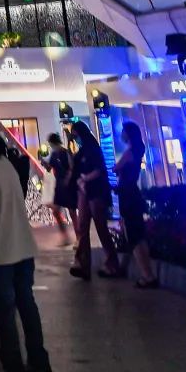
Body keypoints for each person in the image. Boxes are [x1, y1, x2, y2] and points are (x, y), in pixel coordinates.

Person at [0, 131, 52, 372]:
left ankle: (12, 363)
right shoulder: (7, 166)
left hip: (3, 249)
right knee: (27, 303)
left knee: (5, 309)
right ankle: (39, 360)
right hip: (24, 246)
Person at [69, 119, 119, 280]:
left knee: (100, 227)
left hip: (95, 191)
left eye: (75, 135)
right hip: (85, 192)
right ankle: (83, 264)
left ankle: (111, 263)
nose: (75, 139)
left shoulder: (92, 150)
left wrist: (84, 179)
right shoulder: (82, 151)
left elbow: (99, 170)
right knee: (83, 228)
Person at [116, 121, 159, 288]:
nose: (121, 134)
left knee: (134, 236)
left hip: (127, 195)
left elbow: (116, 168)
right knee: (138, 235)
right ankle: (148, 274)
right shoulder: (137, 150)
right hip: (132, 193)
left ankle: (147, 275)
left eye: (123, 131)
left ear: (128, 133)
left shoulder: (130, 152)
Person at [45, 131, 76, 240]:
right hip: (59, 185)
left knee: (71, 211)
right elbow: (49, 168)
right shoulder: (54, 154)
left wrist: (67, 179)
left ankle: (78, 237)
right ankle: (66, 236)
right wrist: (43, 162)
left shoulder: (64, 152)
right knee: (57, 211)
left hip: (67, 184)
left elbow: (71, 168)